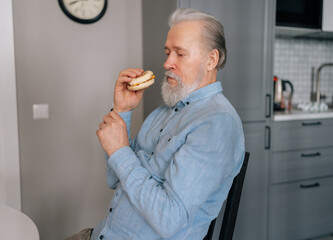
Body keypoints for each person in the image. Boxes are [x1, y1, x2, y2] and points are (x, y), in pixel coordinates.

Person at [66, 8, 244, 240]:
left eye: (180, 54)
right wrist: (122, 110)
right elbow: (114, 178)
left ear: (211, 60)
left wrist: (120, 150)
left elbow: (169, 219)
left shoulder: (217, 123)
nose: (167, 63)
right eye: (168, 53)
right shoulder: (162, 113)